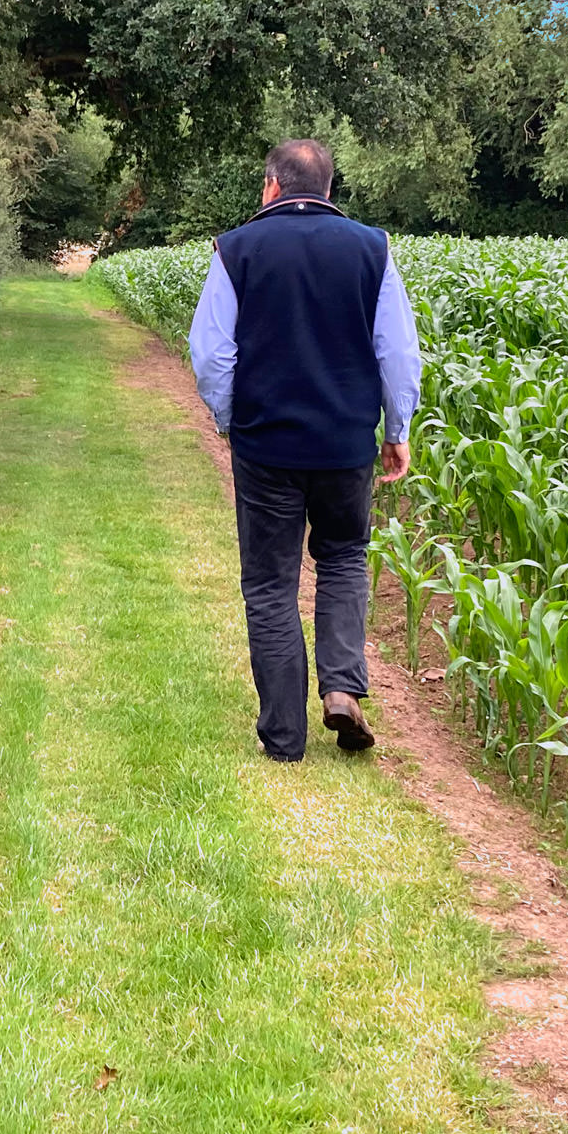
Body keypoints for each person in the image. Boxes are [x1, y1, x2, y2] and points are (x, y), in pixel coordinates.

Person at [186, 139, 421, 762]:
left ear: (271, 186)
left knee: (270, 584)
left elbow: (212, 356)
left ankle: (285, 737)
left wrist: (233, 419)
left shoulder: (236, 249)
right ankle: (343, 687)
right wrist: (395, 429)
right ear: (327, 190)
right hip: (345, 445)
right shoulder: (373, 249)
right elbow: (396, 353)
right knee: (343, 560)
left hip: (267, 447)